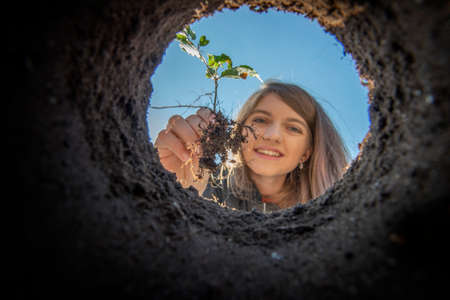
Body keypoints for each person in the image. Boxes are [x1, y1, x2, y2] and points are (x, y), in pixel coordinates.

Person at [154, 81, 349, 213]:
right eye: (261, 119)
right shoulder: (209, 185)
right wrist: (172, 187)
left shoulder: (332, 209)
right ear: (239, 131)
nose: (272, 135)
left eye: (293, 128)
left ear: (306, 153)